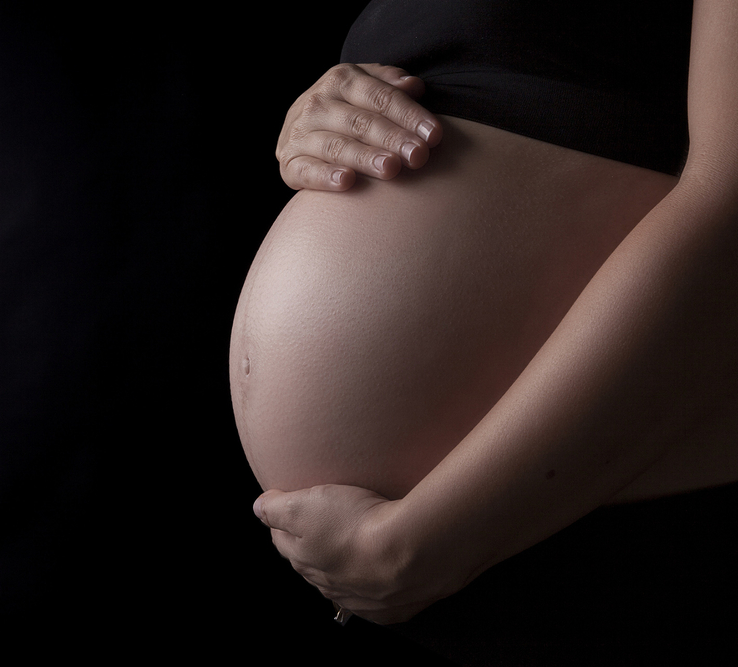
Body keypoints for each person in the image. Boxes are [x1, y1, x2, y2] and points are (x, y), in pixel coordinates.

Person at [230, 0, 738, 658]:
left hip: (590, 498)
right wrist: (322, 111)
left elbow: (730, 204)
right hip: (423, 559)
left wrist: (416, 546)